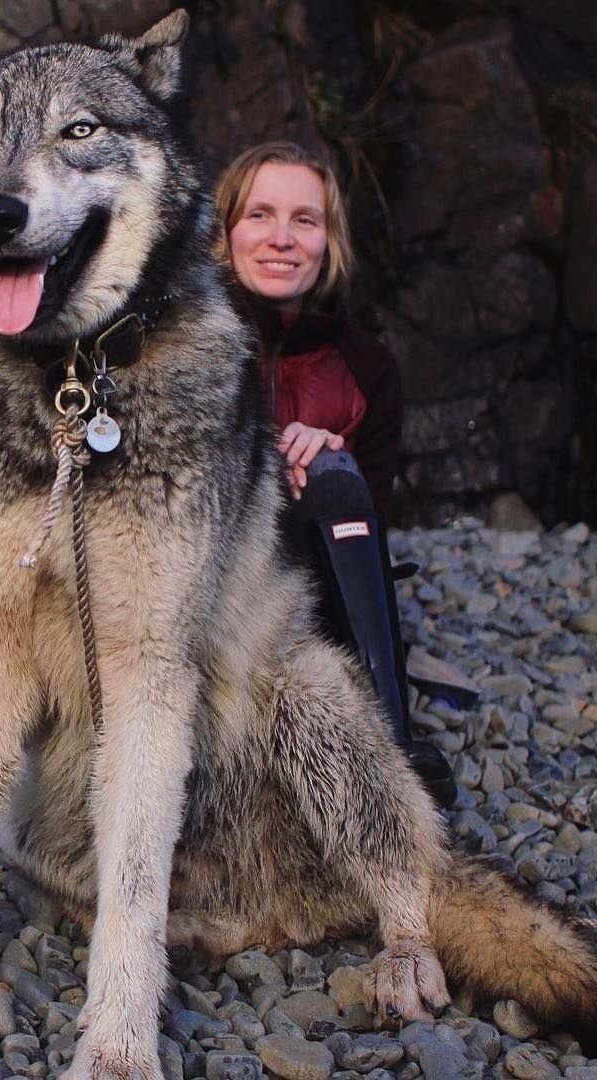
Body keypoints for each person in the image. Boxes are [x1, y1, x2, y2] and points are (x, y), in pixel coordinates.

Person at [216, 140, 457, 808]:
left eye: (305, 219)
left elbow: (370, 523)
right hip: (207, 590)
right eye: (260, 215)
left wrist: (328, 461)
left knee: (336, 470)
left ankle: (391, 745)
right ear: (227, 231)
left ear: (330, 240)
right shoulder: (183, 340)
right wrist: (264, 451)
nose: (282, 239)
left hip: (314, 594)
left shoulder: (368, 367)